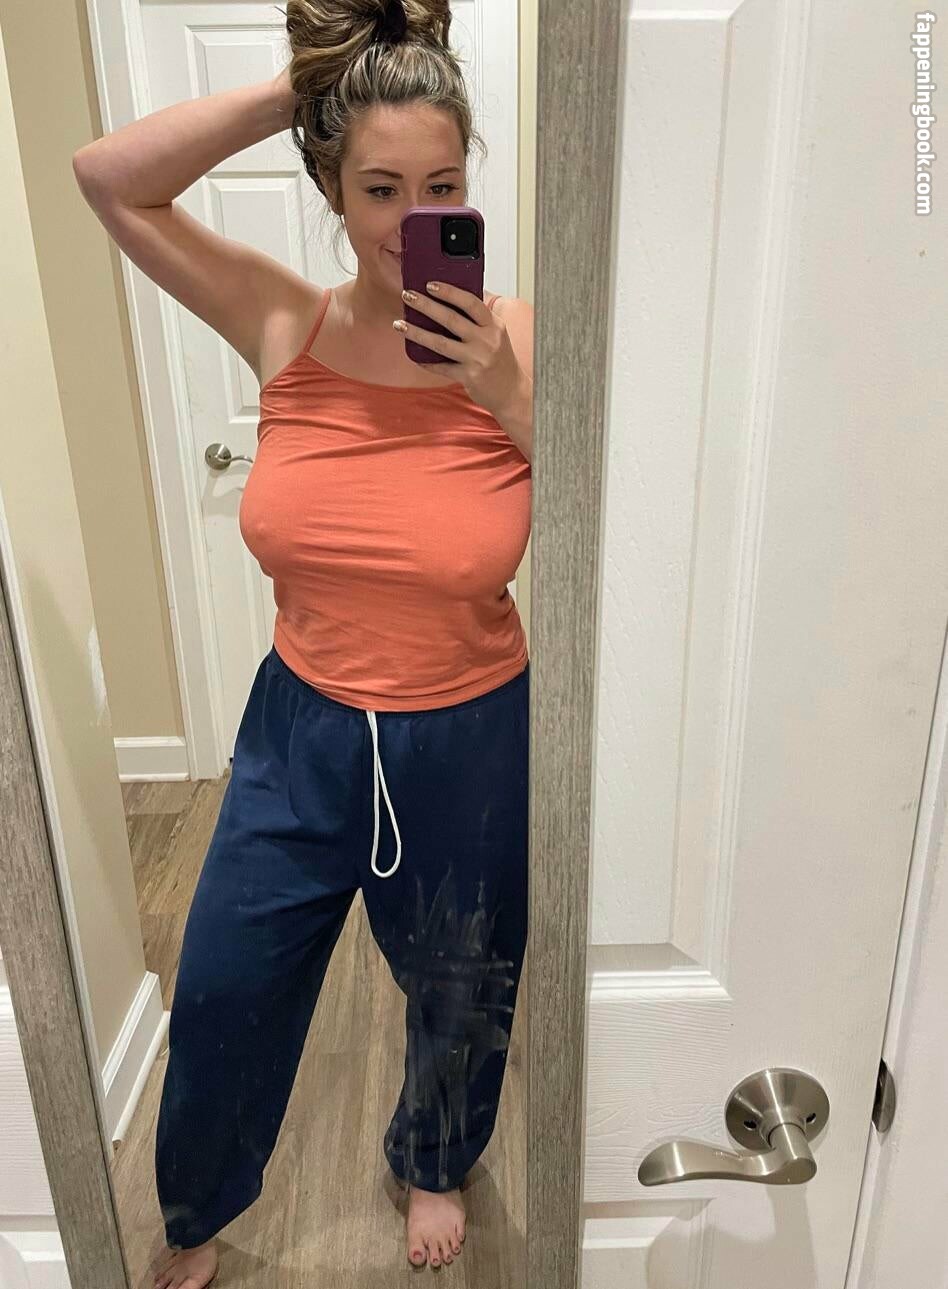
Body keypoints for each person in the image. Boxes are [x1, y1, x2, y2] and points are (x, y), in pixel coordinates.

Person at [75, 1, 533, 1285]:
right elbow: (108, 178)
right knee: (226, 980)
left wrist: (504, 389)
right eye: (378, 188)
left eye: (439, 187)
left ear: (468, 186)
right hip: (302, 725)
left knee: (463, 978)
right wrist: (310, 83)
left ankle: (433, 1156)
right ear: (331, 187)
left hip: (470, 724)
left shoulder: (522, 338)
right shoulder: (282, 321)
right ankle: (198, 1201)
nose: (408, 220)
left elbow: (622, 514)